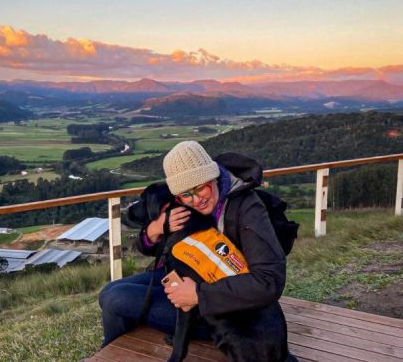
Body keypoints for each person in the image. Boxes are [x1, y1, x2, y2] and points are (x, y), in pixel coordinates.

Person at [98, 141, 286, 346]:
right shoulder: (184, 199)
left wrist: (199, 295)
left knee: (115, 298)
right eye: (186, 194)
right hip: (181, 277)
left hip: (223, 311)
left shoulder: (248, 209)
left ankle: (109, 356)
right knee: (109, 291)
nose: (196, 200)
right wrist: (155, 230)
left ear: (213, 176)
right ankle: (107, 351)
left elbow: (270, 282)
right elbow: (155, 247)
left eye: (200, 189)